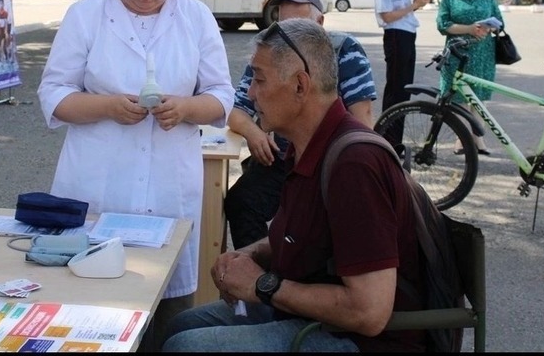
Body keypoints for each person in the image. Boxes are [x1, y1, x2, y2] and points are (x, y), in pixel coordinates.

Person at [37, 0, 235, 351]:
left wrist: (185, 108)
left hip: (168, 190)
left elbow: (222, 97)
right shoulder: (86, 16)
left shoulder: (196, 17)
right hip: (96, 187)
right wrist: (106, 106)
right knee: (90, 313)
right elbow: (53, 96)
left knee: (166, 316)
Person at [161, 18, 425, 352]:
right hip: (316, 317)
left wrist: (262, 284)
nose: (251, 94)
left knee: (187, 347)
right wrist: (249, 253)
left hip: (360, 340)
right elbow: (304, 238)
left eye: (259, 79)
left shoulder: (354, 164)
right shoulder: (307, 146)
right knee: (180, 326)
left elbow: (369, 312)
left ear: (300, 85)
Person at [224, 0, 377, 249]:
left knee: (317, 223)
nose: (290, 38)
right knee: (242, 201)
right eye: (283, 28)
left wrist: (351, 166)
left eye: (301, 28)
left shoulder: (344, 50)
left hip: (328, 159)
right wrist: (255, 132)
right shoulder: (269, 52)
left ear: (320, 22)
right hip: (282, 158)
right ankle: (258, 275)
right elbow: (237, 111)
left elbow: (362, 119)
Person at [436, 0, 503, 155]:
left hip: (483, 53)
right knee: (461, 97)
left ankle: (478, 139)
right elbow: (443, 25)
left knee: (478, 97)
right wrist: (469, 28)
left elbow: (500, 21)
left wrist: (489, 28)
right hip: (459, 52)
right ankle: (461, 138)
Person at [373, 0, 431, 145]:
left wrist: (416, 2)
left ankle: (395, 139)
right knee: (395, 89)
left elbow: (404, 11)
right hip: (396, 35)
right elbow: (387, 15)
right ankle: (385, 138)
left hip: (408, 34)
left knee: (404, 91)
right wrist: (413, 6)